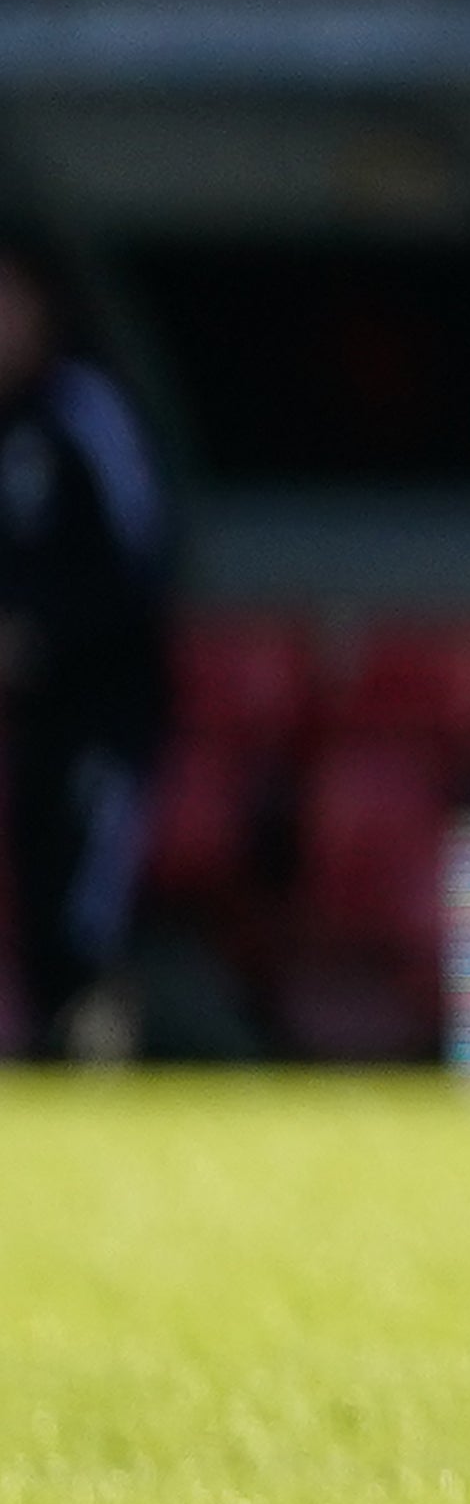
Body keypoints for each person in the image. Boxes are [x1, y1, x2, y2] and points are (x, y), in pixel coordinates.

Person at [0, 247, 172, 1063]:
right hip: (35, 719)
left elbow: (137, 555)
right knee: (37, 888)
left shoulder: (85, 412)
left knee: (85, 900)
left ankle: (103, 1061)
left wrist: (41, 635)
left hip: (105, 711)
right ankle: (56, 1059)